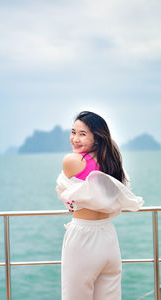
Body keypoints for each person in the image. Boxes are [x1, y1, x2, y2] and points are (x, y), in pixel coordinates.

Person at [56, 111, 144, 300]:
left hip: (82, 238)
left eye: (82, 134)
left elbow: (66, 194)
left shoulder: (72, 161)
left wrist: (70, 201)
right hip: (108, 238)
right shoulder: (113, 164)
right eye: (73, 132)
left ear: (97, 137)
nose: (75, 139)